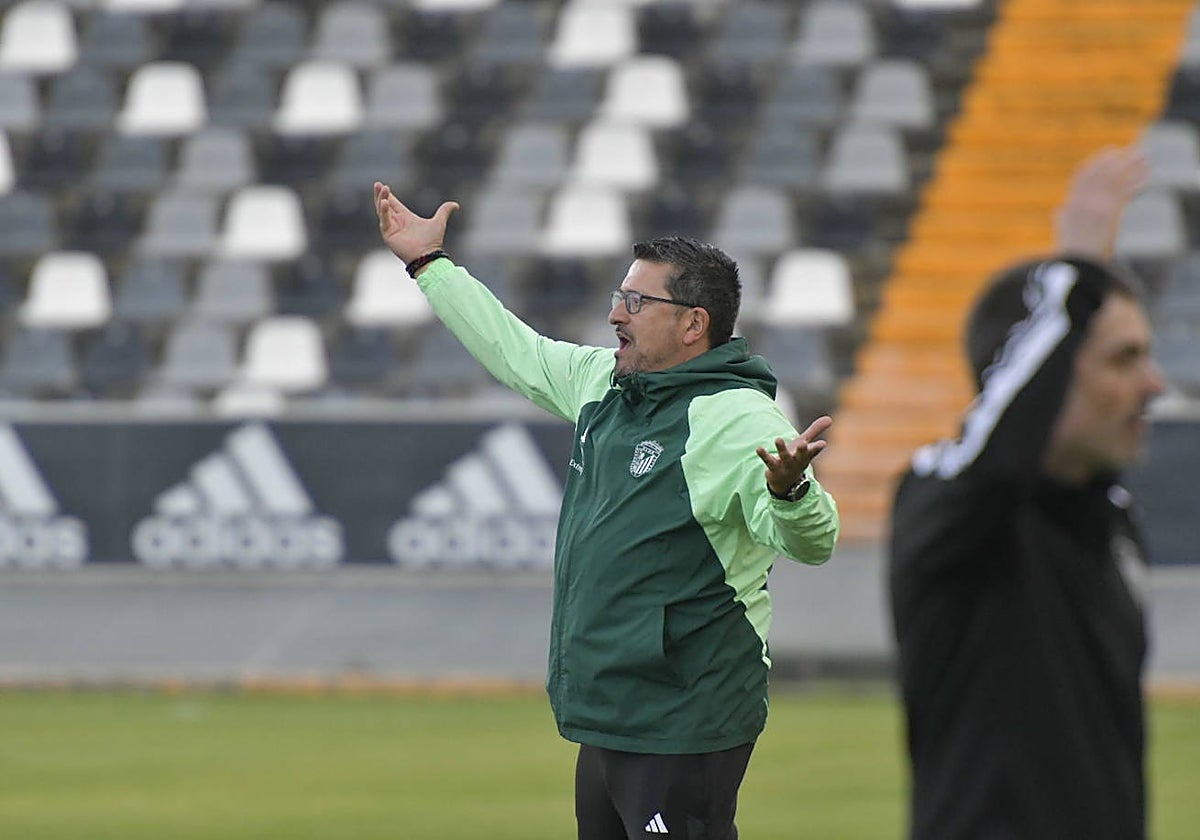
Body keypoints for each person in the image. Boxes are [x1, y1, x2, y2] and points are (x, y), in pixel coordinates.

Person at [373, 181, 839, 839]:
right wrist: (429, 267)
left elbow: (814, 542)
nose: (616, 314)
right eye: (619, 297)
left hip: (684, 712)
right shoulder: (607, 385)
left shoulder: (737, 418)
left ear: (692, 324)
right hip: (614, 708)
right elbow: (517, 351)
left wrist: (793, 493)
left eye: (635, 301)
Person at [889, 146, 1166, 840]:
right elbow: (994, 464)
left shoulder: (1112, 520)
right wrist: (1073, 279)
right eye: (1123, 358)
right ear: (1042, 370)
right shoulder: (943, 500)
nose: (1153, 385)